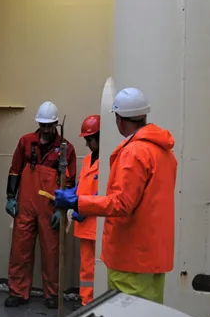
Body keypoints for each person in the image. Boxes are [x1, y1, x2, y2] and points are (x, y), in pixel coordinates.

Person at [54, 88, 177, 304]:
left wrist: (77, 202)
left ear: (120, 120)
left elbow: (121, 204)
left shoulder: (134, 152)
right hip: (154, 254)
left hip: (131, 257)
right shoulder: (163, 152)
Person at [5, 101, 76, 309]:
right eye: (43, 125)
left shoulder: (66, 149)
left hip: (50, 207)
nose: (46, 129)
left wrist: (62, 209)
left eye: (50, 125)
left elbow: (69, 181)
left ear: (56, 124)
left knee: (52, 251)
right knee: (20, 249)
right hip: (25, 204)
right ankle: (18, 292)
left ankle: (52, 294)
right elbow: (15, 170)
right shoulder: (26, 142)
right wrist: (10, 197)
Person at [70, 114, 101, 306]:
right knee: (86, 267)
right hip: (85, 224)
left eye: (90, 139)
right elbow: (84, 184)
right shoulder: (88, 160)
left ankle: (96, 302)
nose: (88, 144)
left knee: (98, 267)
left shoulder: (110, 160)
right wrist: (73, 194)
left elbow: (104, 191)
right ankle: (86, 302)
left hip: (98, 223)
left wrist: (82, 205)